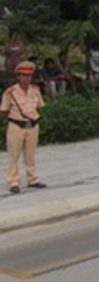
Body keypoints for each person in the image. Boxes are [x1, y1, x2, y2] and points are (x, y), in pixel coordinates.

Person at [1, 61, 46, 193]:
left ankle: (32, 179)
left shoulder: (35, 90)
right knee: (13, 155)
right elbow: (4, 110)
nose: (26, 78)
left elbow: (39, 106)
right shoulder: (10, 92)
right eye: (23, 75)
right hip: (16, 126)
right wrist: (14, 118)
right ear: (18, 76)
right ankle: (13, 181)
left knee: (30, 155)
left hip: (32, 125)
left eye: (29, 75)